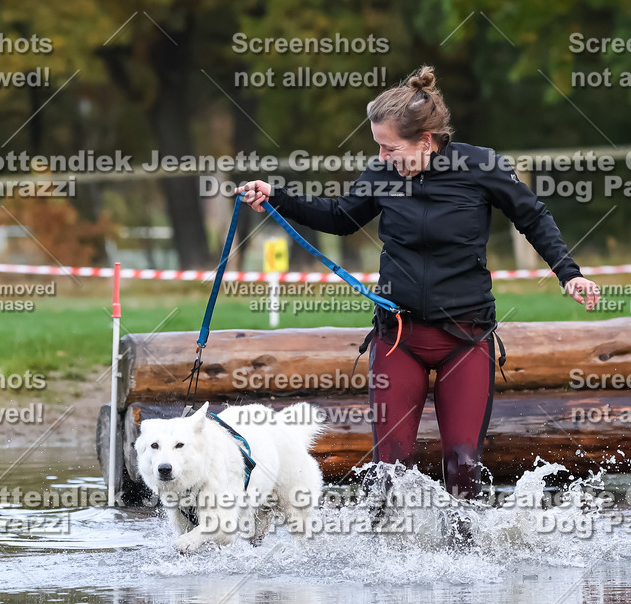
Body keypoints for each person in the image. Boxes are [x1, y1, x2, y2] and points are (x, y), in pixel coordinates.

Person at [238, 65, 600, 500]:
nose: (382, 157)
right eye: (378, 147)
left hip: (465, 337)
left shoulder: (480, 165)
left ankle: (463, 561)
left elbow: (533, 217)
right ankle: (388, 563)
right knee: (388, 471)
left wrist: (569, 273)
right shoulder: (383, 174)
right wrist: (276, 195)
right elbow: (338, 217)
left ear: (425, 141)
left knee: (463, 468)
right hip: (399, 338)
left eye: (390, 148)